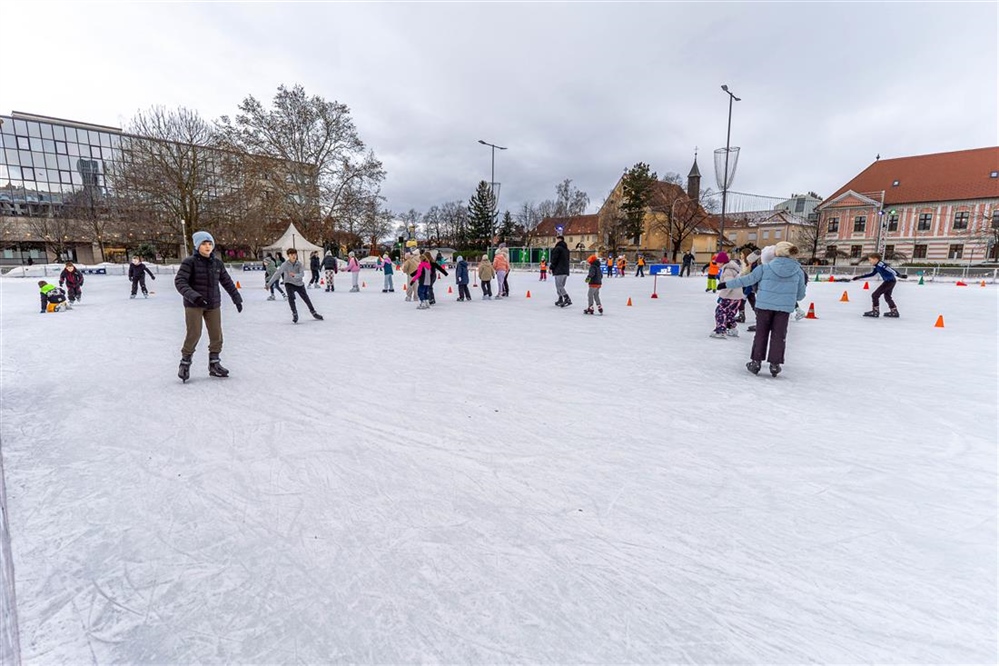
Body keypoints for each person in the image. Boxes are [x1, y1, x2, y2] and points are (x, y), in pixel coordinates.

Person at [718, 241, 807, 377]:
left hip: (764, 306)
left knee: (761, 333)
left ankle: (756, 362)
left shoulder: (765, 268)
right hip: (784, 309)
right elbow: (800, 295)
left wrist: (725, 284)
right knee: (779, 335)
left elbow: (746, 280)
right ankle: (775, 365)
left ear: (776, 253)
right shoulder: (798, 271)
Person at [174, 231, 243, 381]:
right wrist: (194, 297)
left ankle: (214, 364)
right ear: (198, 245)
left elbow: (227, 281)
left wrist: (236, 298)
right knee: (194, 333)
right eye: (204, 244)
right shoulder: (189, 262)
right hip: (194, 305)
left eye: (210, 243)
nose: (207, 246)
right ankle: (185, 362)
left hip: (213, 304)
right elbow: (180, 282)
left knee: (216, 334)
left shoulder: (217, 263)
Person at [267, 248, 324, 324]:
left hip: (299, 283)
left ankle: (313, 312)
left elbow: (302, 274)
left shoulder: (299, 264)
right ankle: (294, 313)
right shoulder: (285, 264)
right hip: (289, 283)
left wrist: (295, 275)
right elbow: (277, 273)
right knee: (291, 297)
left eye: (295, 254)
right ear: (288, 256)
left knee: (306, 298)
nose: (294, 256)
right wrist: (269, 284)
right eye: (291, 255)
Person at [853, 252, 907, 317]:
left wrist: (900, 275)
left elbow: (891, 270)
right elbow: (872, 274)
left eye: (870, 260)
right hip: (890, 281)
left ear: (875, 259)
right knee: (887, 297)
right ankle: (894, 311)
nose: (869, 261)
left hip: (889, 282)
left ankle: (875, 311)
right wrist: (859, 277)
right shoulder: (876, 266)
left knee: (875, 295)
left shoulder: (881, 264)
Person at [709, 252, 744, 338]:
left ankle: (720, 330)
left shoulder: (728, 270)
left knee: (720, 311)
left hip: (730, 296)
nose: (716, 264)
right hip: (737, 296)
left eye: (717, 262)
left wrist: (722, 296)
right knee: (730, 313)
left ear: (722, 262)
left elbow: (729, 285)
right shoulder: (732, 268)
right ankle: (732, 329)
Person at [550, 235, 572, 308]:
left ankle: (566, 298)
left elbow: (554, 259)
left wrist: (551, 267)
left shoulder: (558, 249)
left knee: (559, 285)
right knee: (561, 285)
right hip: (565, 270)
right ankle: (560, 298)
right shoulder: (567, 250)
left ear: (559, 240)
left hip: (559, 270)